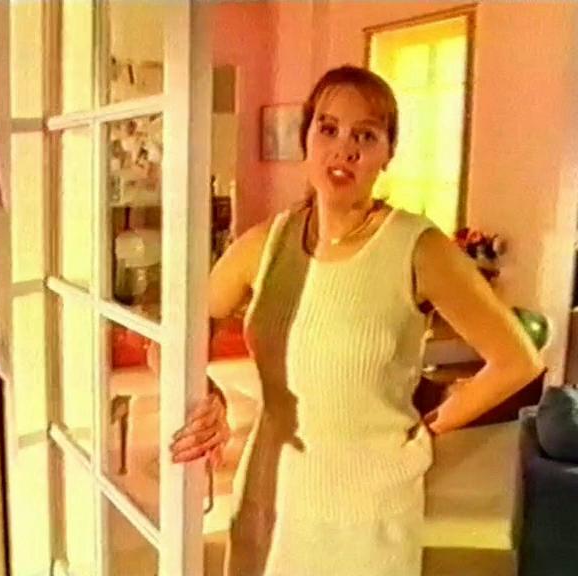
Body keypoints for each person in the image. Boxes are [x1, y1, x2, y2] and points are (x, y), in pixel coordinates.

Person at [167, 65, 543, 575]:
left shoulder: (419, 247)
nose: (343, 149)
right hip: (269, 493)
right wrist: (206, 392)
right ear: (306, 140)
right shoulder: (264, 245)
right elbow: (172, 338)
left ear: (388, 153)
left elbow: (517, 360)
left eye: (365, 135)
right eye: (328, 129)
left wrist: (429, 429)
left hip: (369, 513)